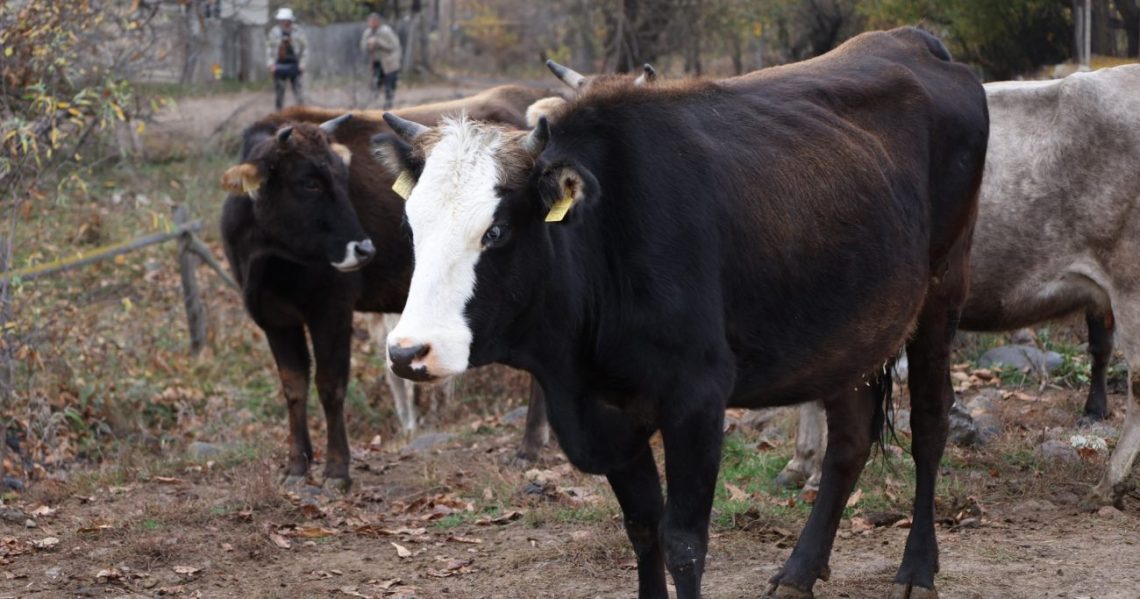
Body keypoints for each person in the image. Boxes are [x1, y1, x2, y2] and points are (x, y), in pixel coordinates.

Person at [266, 8, 308, 110]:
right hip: (279, 64)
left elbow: (305, 48)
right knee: (279, 92)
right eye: (281, 20)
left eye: (285, 20)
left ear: (290, 20)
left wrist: (302, 63)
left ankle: (302, 111)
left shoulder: (298, 31)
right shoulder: (274, 32)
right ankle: (279, 112)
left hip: (294, 64)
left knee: (298, 91)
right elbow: (269, 49)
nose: (283, 22)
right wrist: (271, 64)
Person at [360, 12, 402, 109]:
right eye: (369, 21)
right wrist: (368, 45)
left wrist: (378, 42)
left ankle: (389, 102)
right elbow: (363, 46)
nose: (371, 23)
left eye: (373, 21)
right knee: (375, 83)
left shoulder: (386, 31)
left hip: (389, 63)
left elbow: (394, 46)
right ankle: (373, 103)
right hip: (376, 62)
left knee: (390, 83)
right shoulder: (368, 33)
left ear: (377, 22)